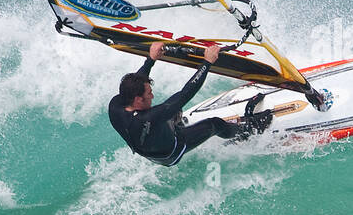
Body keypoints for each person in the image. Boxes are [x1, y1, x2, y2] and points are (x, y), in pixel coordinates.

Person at [109, 42, 273, 167]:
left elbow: (136, 82)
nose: (152, 95)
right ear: (137, 99)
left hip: (151, 140)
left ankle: (177, 124)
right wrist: (207, 63)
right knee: (213, 124)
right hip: (170, 151)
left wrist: (150, 59)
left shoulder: (117, 104)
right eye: (149, 93)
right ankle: (249, 130)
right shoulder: (148, 118)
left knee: (172, 106)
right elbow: (186, 94)